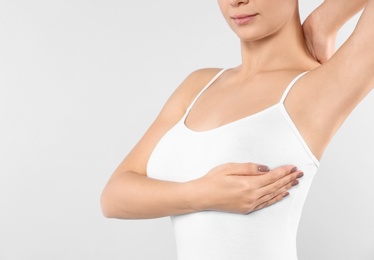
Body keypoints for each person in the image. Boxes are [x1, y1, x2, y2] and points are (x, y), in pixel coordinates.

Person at [101, 0, 373, 259]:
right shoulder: (198, 85)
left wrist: (325, 19)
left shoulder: (320, 88)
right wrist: (202, 194)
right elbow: (113, 196)